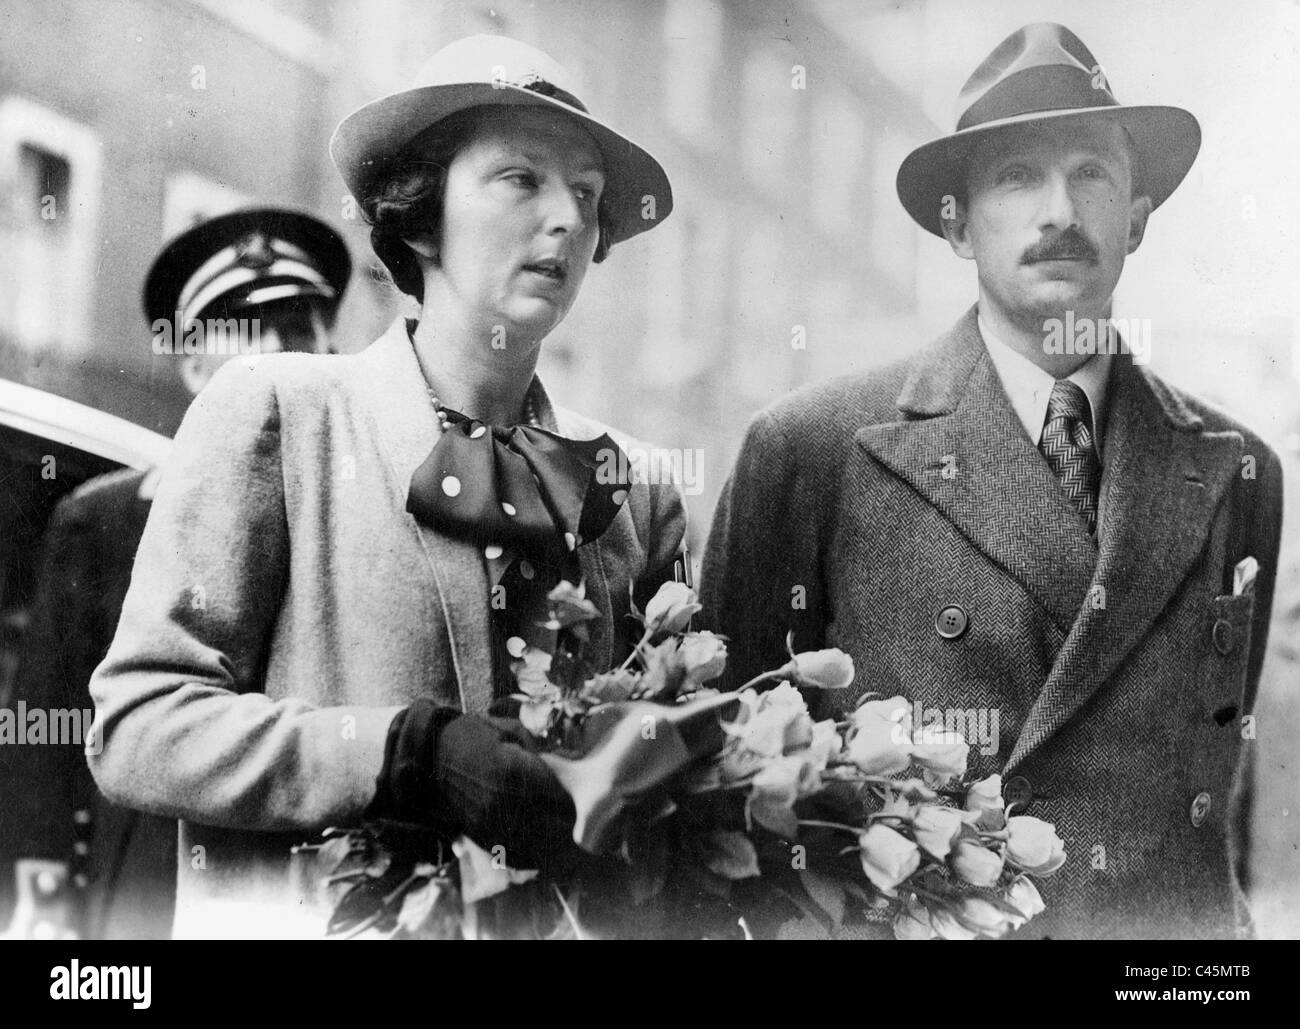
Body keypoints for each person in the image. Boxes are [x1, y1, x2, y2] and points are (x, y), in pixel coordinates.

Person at [87, 34, 685, 938]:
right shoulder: (281, 417)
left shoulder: (628, 487)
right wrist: (399, 754)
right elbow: (137, 730)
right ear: (416, 217)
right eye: (521, 179)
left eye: (589, 193)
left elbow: (665, 786)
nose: (567, 216)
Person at [702, 23, 1283, 940]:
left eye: (1092, 171)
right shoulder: (813, 449)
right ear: (955, 223)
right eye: (1017, 176)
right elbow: (724, 799)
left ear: (1136, 215)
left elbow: (1213, 800)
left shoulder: (1234, 466)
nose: (1061, 210)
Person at [0, 208, 350, 939]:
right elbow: (49, 717)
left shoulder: (357, 515)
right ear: (192, 363)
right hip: (149, 878)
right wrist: (42, 887)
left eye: (295, 332)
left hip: (315, 881)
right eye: (243, 337)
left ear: (330, 349)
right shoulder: (106, 518)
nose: (275, 357)